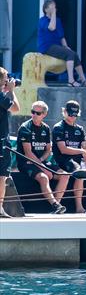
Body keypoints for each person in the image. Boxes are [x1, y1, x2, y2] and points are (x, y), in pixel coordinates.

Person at [17, 101, 67, 213]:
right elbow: (28, 153)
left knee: (64, 175)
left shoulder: (46, 128)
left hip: (40, 161)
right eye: (32, 112)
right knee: (44, 177)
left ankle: (56, 206)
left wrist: (42, 161)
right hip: (27, 162)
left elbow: (48, 149)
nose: (34, 115)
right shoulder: (25, 127)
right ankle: (55, 205)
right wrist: (43, 167)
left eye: (37, 113)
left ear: (44, 114)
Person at [37, 0, 86, 87]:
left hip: (56, 46)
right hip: (47, 47)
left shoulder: (57, 20)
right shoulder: (42, 20)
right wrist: (53, 14)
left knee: (74, 54)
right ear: (46, 9)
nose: (54, 9)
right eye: (52, 7)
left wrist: (66, 46)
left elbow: (61, 36)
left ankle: (83, 80)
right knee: (69, 54)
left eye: (55, 7)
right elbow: (51, 27)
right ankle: (71, 80)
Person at [0, 67, 20, 218]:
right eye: (6, 77)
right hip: (1, 140)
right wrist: (12, 90)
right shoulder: (1, 96)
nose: (8, 80)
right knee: (2, 175)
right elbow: (16, 108)